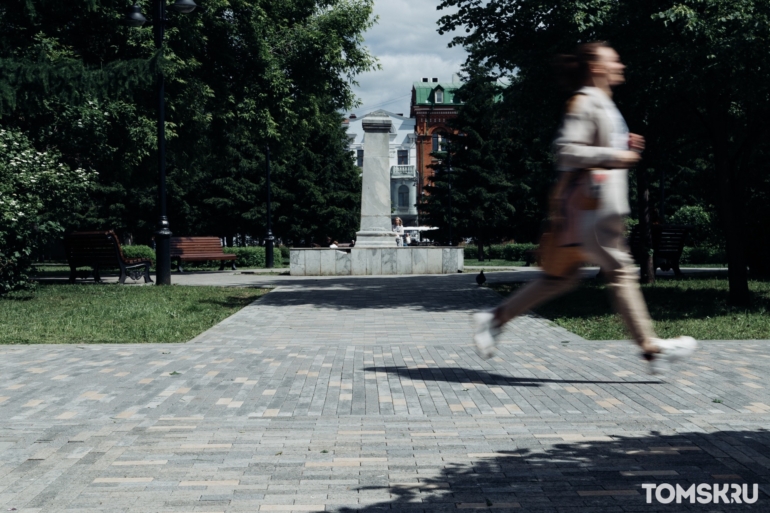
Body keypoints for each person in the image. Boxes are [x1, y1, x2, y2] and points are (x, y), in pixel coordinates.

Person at [473, 41, 696, 374]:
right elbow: (566, 151)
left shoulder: (604, 104)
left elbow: (595, 150)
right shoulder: (585, 102)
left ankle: (495, 318)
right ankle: (650, 348)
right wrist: (617, 155)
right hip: (591, 210)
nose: (620, 64)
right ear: (597, 67)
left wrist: (623, 145)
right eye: (613, 59)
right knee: (619, 271)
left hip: (594, 210)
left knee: (561, 278)